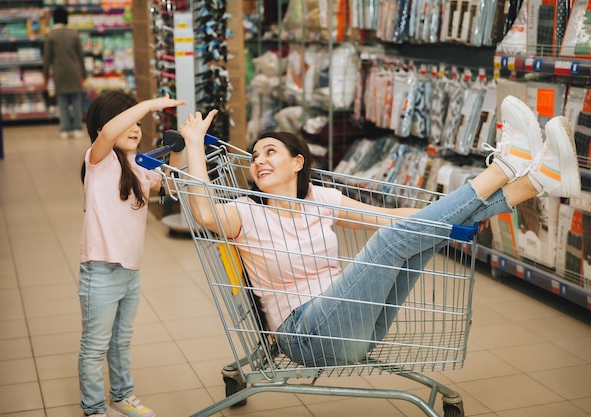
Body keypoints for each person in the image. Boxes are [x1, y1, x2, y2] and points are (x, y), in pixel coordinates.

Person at [177, 95, 581, 367]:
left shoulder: (319, 197)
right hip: (305, 336)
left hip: (358, 327)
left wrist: (445, 213)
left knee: (417, 234)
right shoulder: (244, 212)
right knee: (391, 243)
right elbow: (204, 213)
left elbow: (390, 218)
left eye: (271, 152)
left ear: (298, 162)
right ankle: (508, 171)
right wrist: (194, 143)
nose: (260, 161)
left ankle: (535, 181)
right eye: (255, 157)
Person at [79, 90, 185, 417]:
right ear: (102, 129)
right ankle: (94, 409)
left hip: (130, 272)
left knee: (121, 343)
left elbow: (173, 185)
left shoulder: (138, 166)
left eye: (139, 122)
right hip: (100, 271)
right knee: (95, 348)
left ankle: (122, 396)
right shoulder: (98, 161)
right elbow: (111, 133)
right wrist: (152, 104)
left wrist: (180, 147)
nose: (136, 128)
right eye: (129, 122)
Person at [43, 6, 87, 139]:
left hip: (59, 72)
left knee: (62, 103)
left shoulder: (51, 35)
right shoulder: (74, 34)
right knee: (76, 102)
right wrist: (84, 72)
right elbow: (80, 55)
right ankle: (78, 127)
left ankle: (65, 129)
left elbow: (47, 58)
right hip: (74, 71)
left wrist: (45, 74)